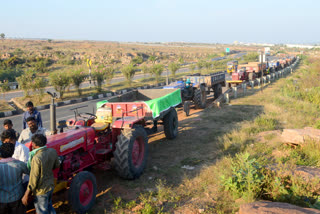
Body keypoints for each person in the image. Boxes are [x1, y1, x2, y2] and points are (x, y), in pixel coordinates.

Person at [22, 134, 60, 214]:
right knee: (49, 206)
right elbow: (56, 165)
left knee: (42, 211)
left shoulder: (36, 158)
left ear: (34, 144)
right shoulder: (52, 151)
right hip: (50, 185)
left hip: (41, 190)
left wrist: (26, 194)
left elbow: (34, 178)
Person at [0, 143, 29, 214]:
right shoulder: (19, 164)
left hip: (2, 199)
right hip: (17, 197)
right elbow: (31, 174)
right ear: (13, 152)